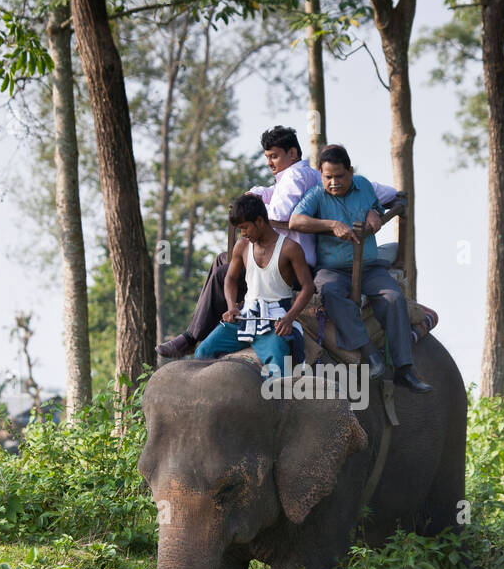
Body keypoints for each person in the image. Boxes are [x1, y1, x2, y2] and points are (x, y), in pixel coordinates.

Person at [157, 126, 321, 359]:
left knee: (223, 271)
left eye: (274, 156)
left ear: (292, 153)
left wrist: (251, 208)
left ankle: (192, 336)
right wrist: (254, 195)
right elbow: (272, 192)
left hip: (288, 259)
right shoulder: (301, 174)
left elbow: (280, 212)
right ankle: (204, 328)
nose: (269, 163)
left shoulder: (296, 176)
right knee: (223, 262)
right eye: (267, 157)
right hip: (277, 252)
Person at [288, 144, 432, 393]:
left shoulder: (364, 185)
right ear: (321, 174)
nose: (333, 182)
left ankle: (404, 368)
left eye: (339, 176)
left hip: (369, 266)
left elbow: (377, 206)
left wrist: (375, 214)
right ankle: (367, 352)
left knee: (393, 296)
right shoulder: (315, 196)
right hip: (333, 269)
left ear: (351, 172)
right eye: (328, 177)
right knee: (330, 293)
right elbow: (295, 220)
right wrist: (331, 224)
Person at [193, 193, 314, 375]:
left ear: (259, 221)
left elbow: (308, 287)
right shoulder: (242, 246)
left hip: (275, 320)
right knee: (202, 353)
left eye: (245, 228)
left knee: (278, 371)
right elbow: (230, 279)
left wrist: (289, 318)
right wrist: (232, 307)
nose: (243, 233)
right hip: (244, 317)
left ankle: (279, 402)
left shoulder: (290, 248)